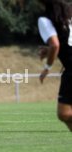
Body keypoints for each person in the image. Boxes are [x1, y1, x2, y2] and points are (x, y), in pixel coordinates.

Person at [38, 0, 72, 131]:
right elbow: (65, 41)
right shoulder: (67, 11)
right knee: (65, 115)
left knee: (64, 113)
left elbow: (55, 44)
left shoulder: (45, 19)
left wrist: (47, 68)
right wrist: (49, 51)